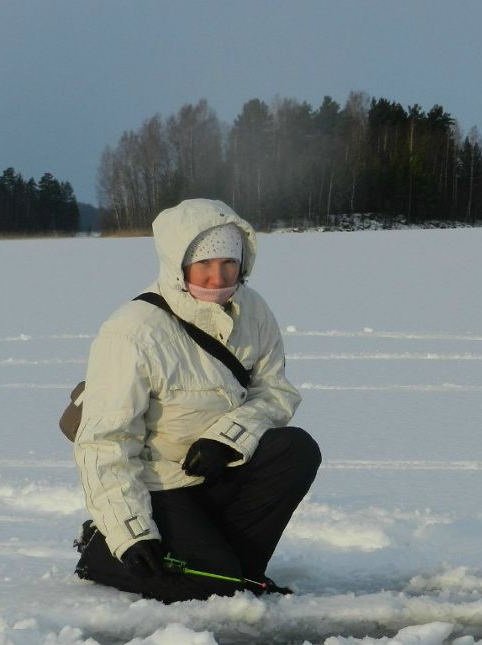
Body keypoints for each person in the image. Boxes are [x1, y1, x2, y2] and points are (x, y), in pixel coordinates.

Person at [73, 198, 320, 602]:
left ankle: (238, 572)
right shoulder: (132, 332)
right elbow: (105, 443)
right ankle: (101, 549)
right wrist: (130, 531)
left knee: (295, 450)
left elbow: (275, 391)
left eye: (228, 263)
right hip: (161, 484)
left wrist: (228, 439)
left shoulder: (253, 310)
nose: (217, 277)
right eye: (203, 264)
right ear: (177, 263)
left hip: (220, 470)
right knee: (209, 583)